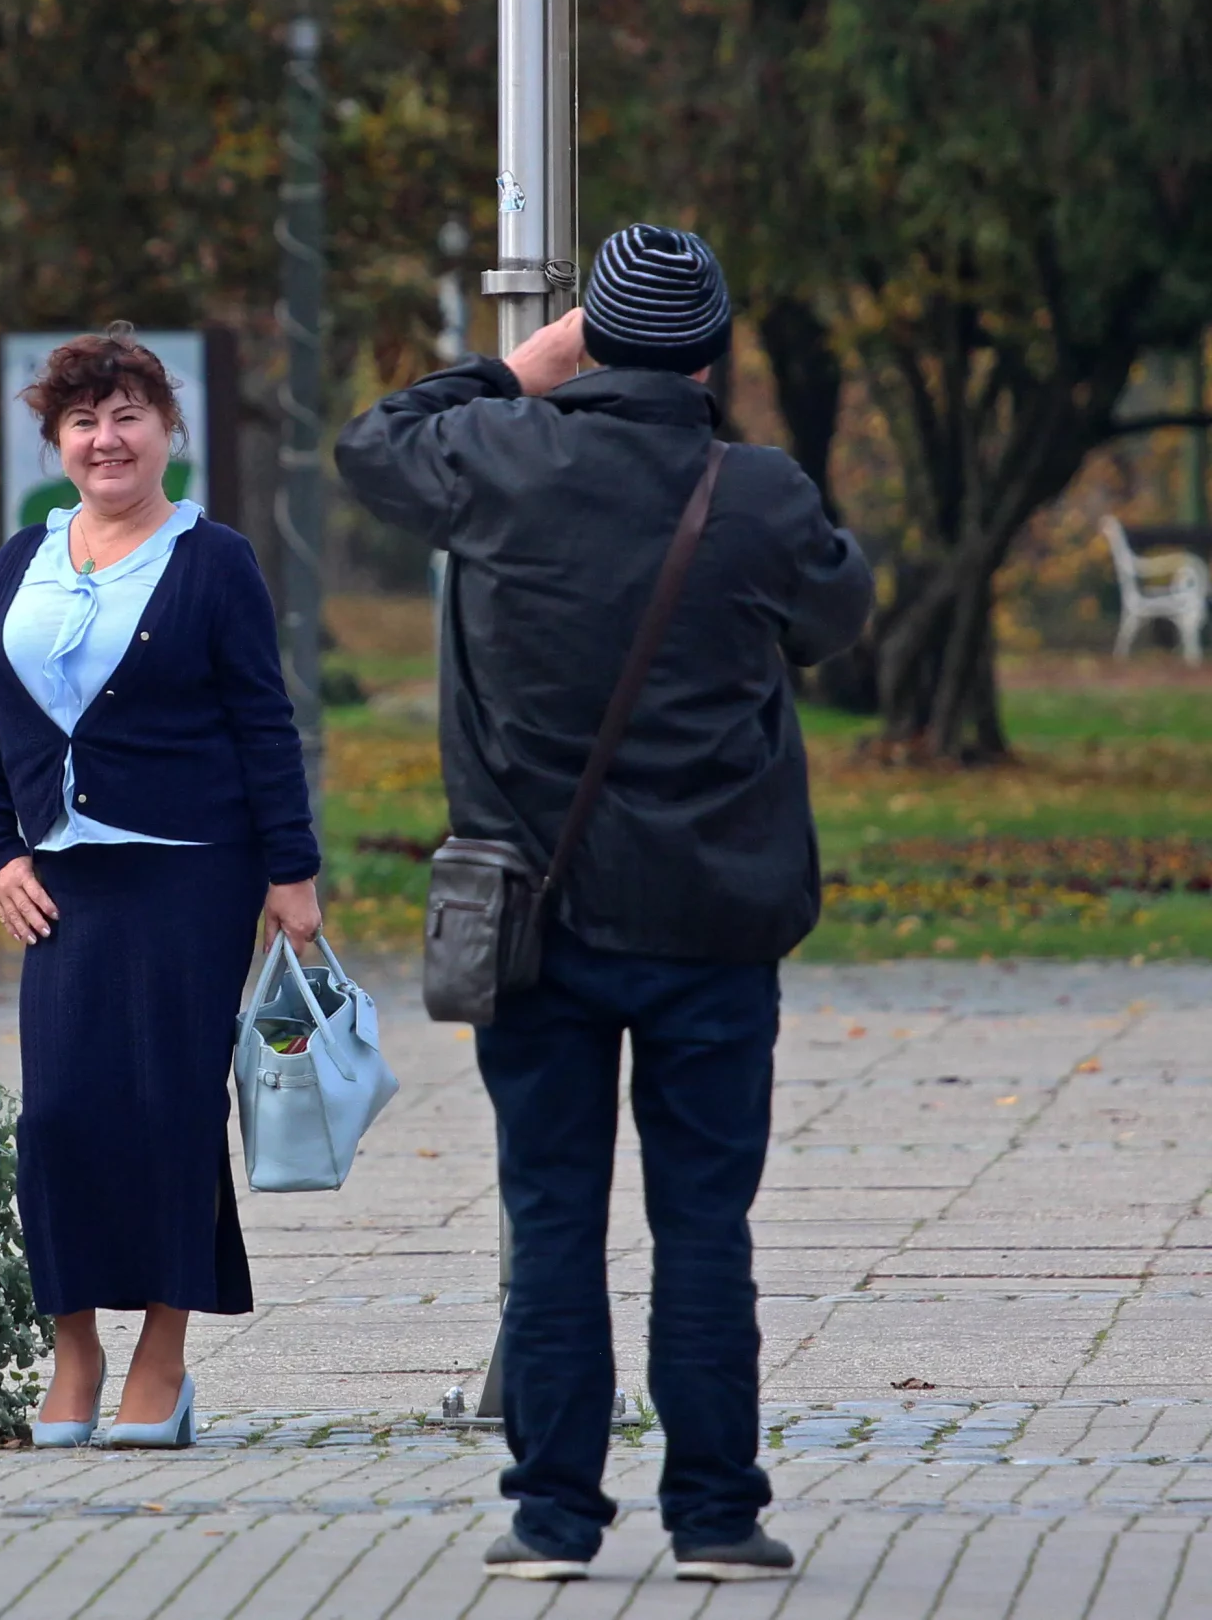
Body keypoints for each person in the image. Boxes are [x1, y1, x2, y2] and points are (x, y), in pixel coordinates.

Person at [337, 225, 875, 1582]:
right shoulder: (755, 494)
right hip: (712, 923)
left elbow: (372, 440)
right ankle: (715, 1514)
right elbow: (843, 612)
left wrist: (529, 362)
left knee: (554, 1214)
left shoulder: (499, 460)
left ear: (590, 338)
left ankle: (553, 1519)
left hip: (537, 919)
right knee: (705, 1220)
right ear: (712, 353)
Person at [0, 329, 321, 1451]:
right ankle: (76, 1351)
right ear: (56, 441)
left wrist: (291, 875)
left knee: (168, 1111)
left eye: (126, 416)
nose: (105, 439)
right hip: (59, 881)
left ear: (169, 432)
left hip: (192, 875)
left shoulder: (214, 561)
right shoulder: (20, 560)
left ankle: (164, 1357)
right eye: (82, 421)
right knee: (58, 1117)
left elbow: (264, 722)